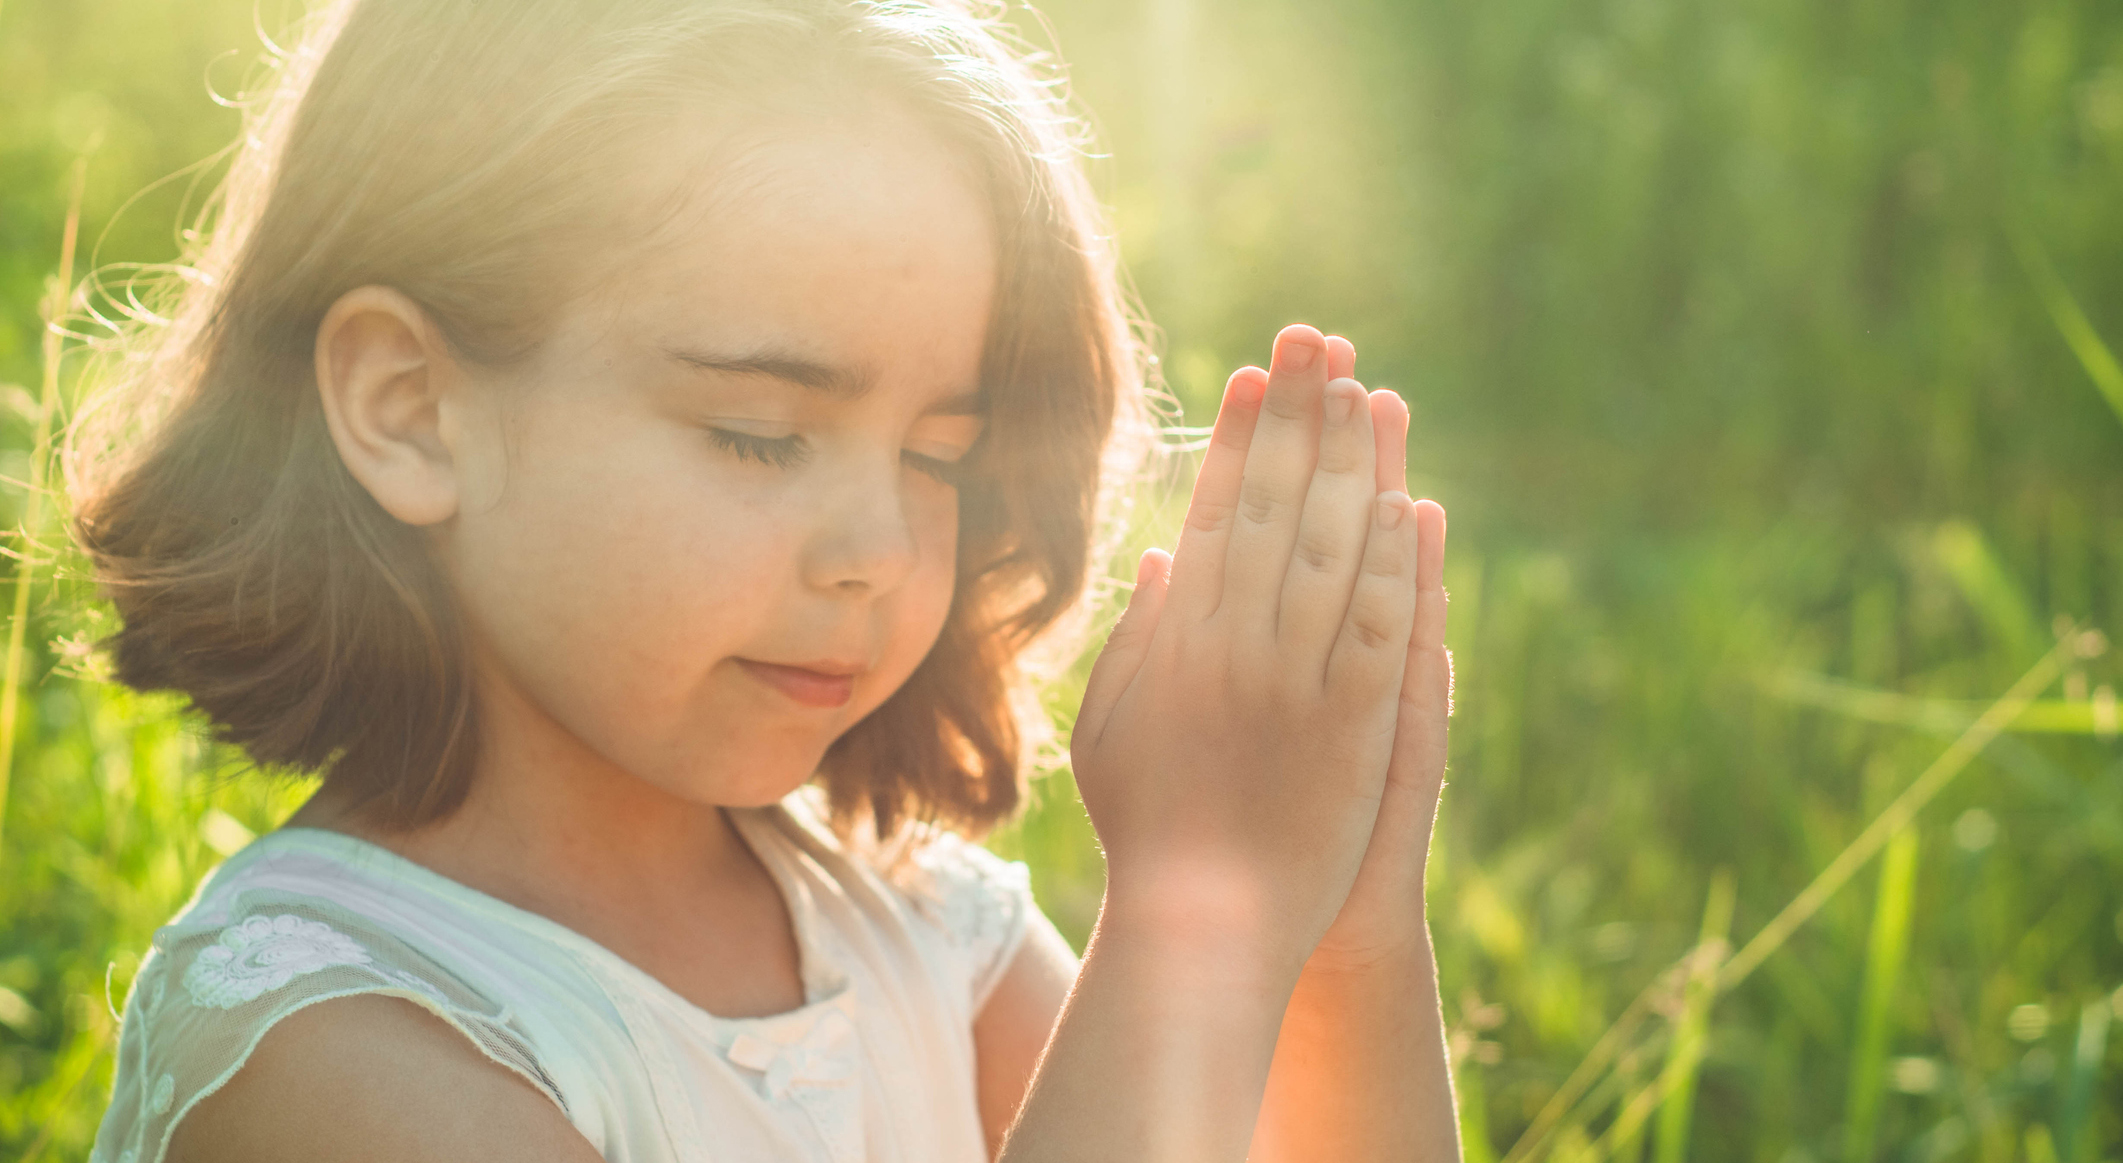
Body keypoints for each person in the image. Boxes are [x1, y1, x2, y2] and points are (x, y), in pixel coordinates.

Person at [67, 1, 1459, 1160]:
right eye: (761, 436)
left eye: (940, 458)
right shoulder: (336, 1047)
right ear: (412, 407)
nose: (881, 552)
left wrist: (1341, 922)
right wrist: (1183, 909)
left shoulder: (924, 933)